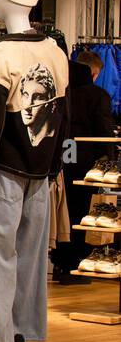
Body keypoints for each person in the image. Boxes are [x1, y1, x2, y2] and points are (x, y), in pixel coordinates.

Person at [51, 51, 116, 283]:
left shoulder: (62, 91)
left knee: (61, 210)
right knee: (82, 212)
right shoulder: (98, 95)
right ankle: (76, 262)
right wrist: (110, 161)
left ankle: (60, 262)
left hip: (61, 156)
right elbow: (104, 131)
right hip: (88, 162)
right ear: (94, 72)